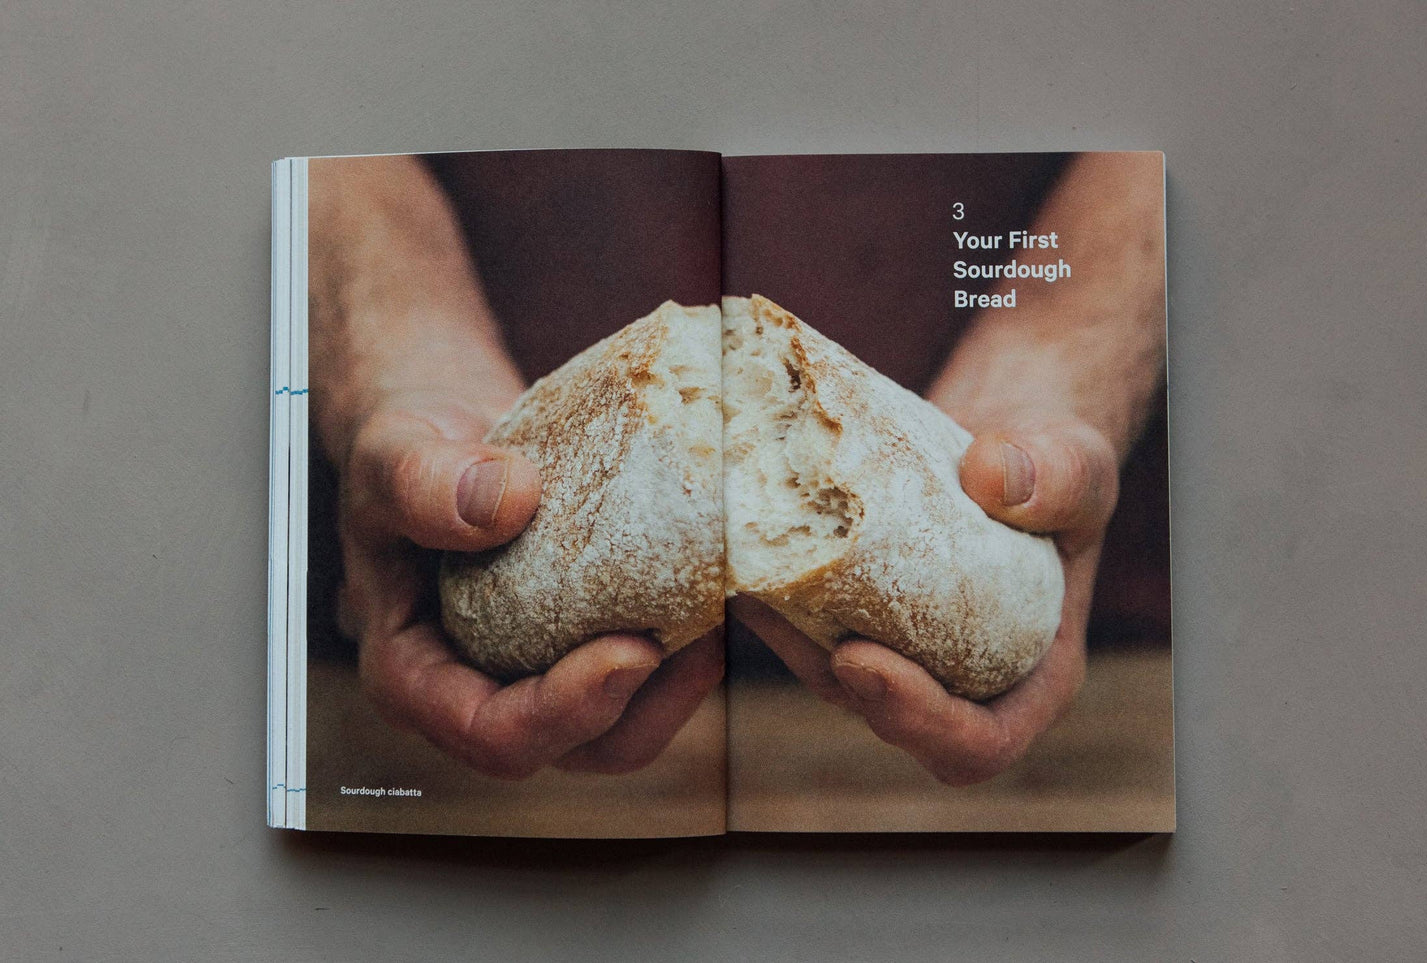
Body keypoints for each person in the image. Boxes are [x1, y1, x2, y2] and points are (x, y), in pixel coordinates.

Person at [307, 152, 1165, 785]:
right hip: (385, 712)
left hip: (1114, 710)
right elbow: (314, 102)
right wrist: (399, 363)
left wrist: (1057, 367)